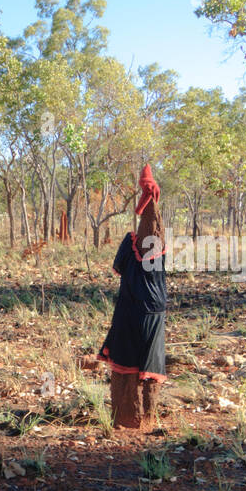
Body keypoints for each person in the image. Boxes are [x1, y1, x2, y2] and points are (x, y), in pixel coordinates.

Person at [97, 165, 167, 430]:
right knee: (150, 360)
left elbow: (117, 269)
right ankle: (147, 416)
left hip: (131, 308)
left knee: (126, 360)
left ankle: (128, 417)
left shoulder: (130, 242)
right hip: (155, 309)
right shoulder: (161, 245)